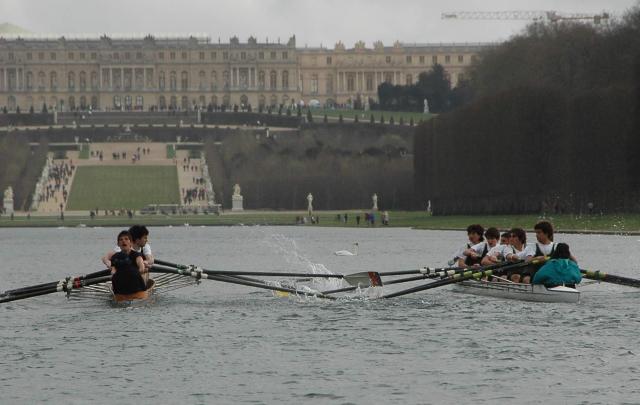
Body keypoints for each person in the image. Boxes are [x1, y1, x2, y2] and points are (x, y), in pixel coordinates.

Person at [110, 230, 148, 294]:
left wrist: (141, 270)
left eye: (126, 239)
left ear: (131, 243)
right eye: (121, 240)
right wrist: (113, 272)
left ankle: (141, 292)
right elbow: (113, 270)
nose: (123, 241)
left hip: (136, 284)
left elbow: (141, 267)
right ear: (118, 244)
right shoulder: (115, 257)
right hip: (122, 283)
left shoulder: (137, 255)